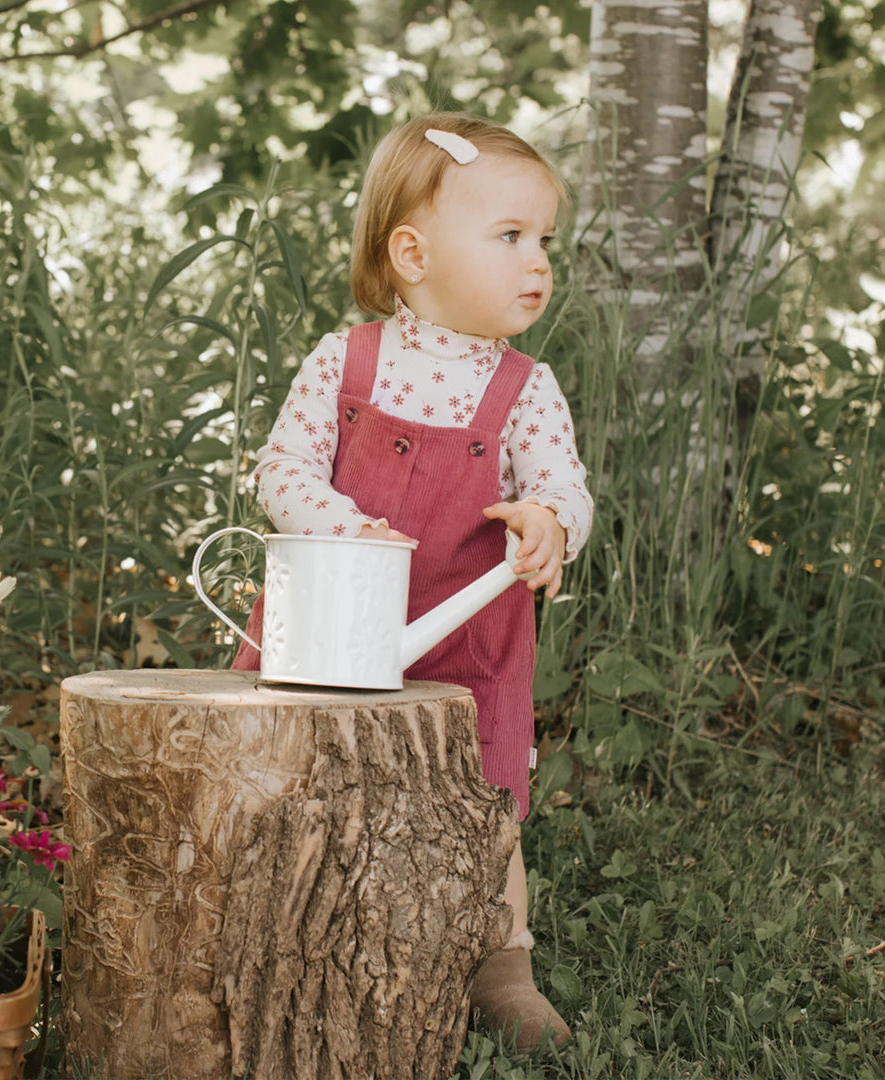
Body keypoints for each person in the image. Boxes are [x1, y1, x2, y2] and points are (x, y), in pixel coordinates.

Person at [232, 111, 593, 1051]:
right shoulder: (345, 364)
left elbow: (563, 483)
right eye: (511, 236)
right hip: (330, 622)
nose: (539, 262)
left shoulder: (525, 388)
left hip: (466, 635)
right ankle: (273, 926)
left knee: (489, 800)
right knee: (288, 778)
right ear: (412, 252)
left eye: (545, 240)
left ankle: (502, 961)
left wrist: (550, 520)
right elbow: (281, 471)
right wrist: (343, 525)